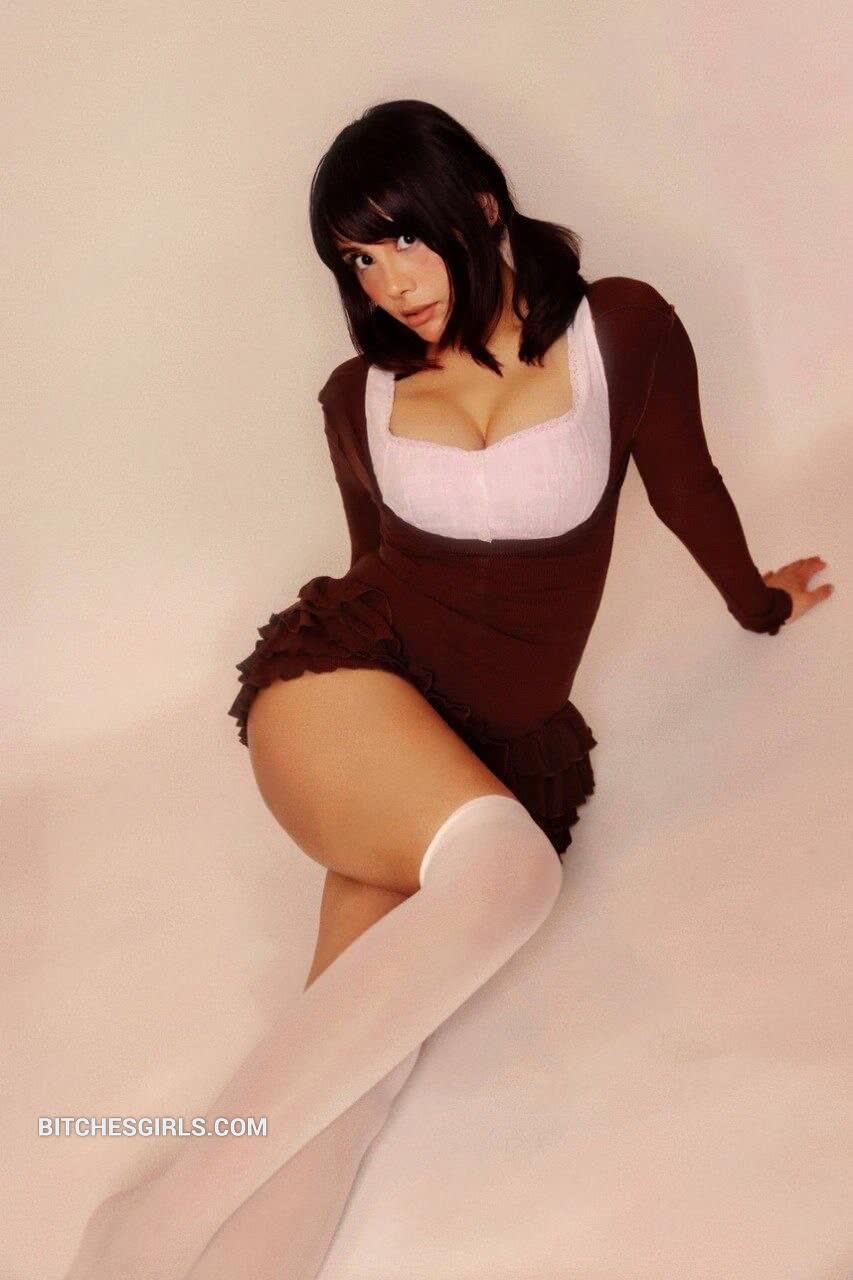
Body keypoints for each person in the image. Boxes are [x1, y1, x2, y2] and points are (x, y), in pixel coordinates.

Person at [64, 99, 833, 1280]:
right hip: (343, 692)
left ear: (477, 205)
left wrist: (756, 602)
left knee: (365, 1067)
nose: (386, 282)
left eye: (399, 240)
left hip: (486, 749)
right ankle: (137, 1234)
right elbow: (368, 569)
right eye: (356, 261)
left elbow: (686, 482)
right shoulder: (357, 397)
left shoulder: (622, 329)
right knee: (510, 873)